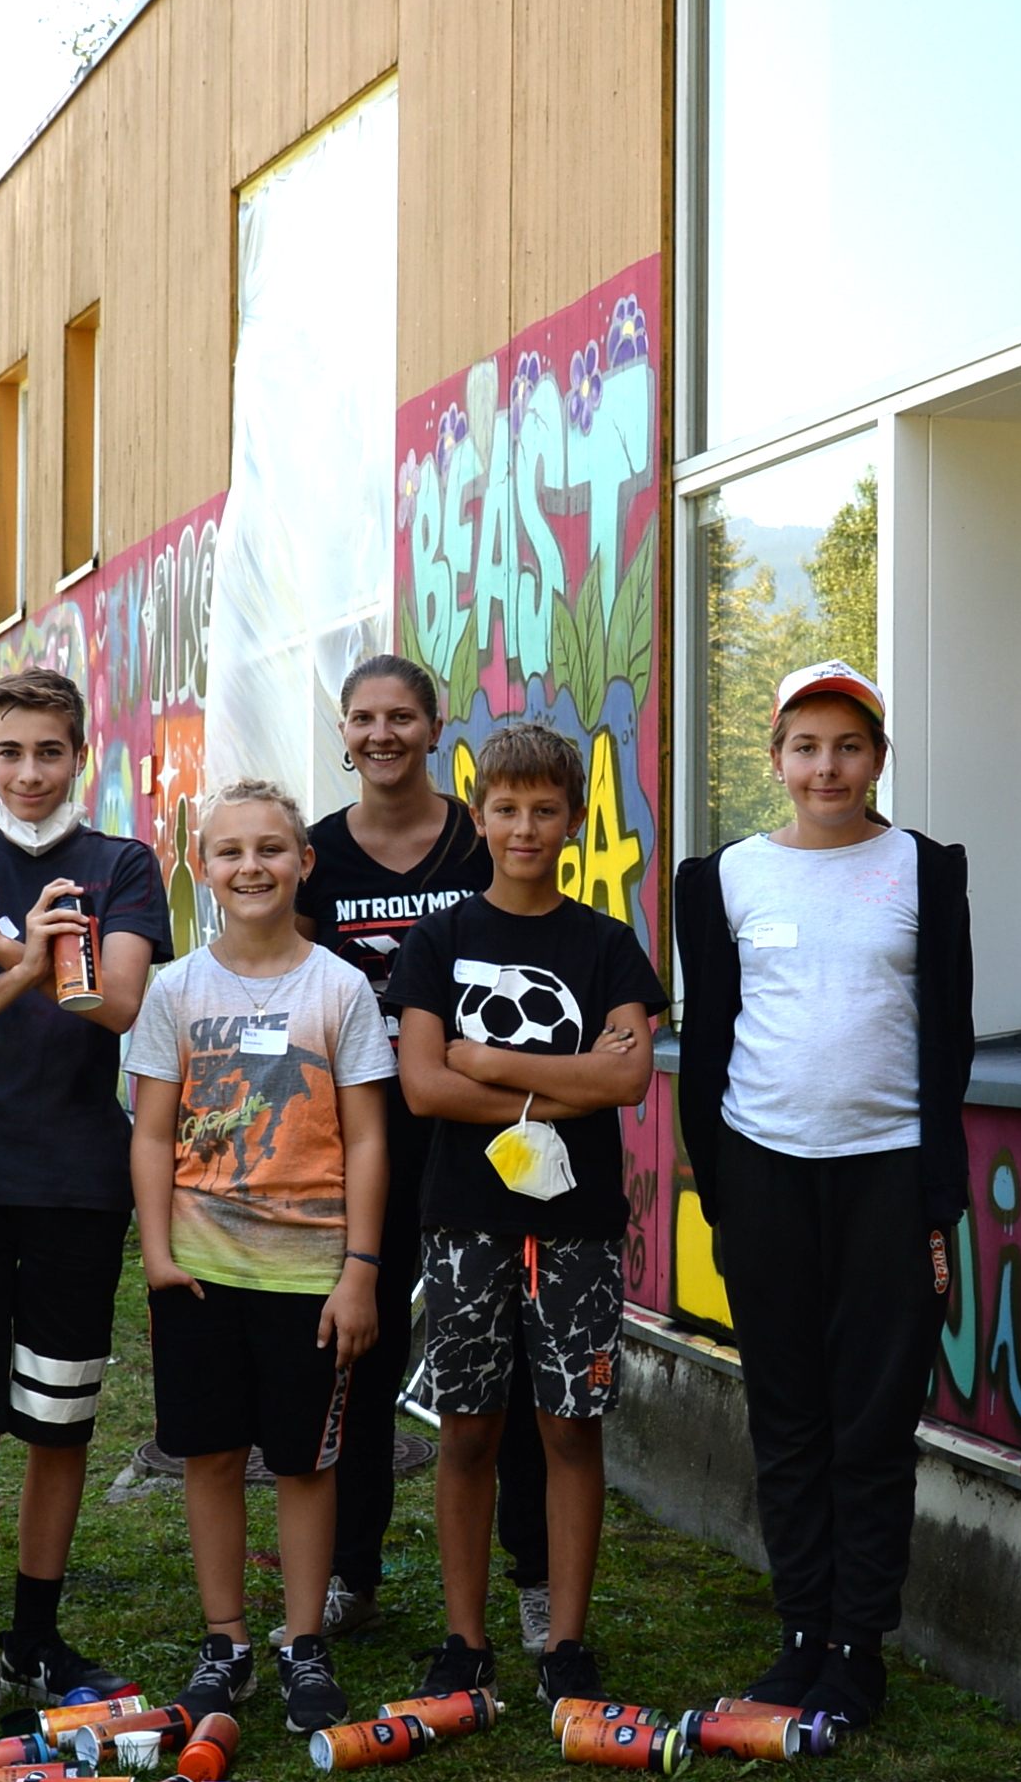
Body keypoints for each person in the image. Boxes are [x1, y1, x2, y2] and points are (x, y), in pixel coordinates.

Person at [673, 661, 975, 1727]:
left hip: (889, 1175)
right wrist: (717, 1179)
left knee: (873, 1415)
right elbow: (705, 1038)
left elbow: (952, 1037)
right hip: (761, 1170)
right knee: (787, 1408)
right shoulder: (723, 879)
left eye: (848, 745)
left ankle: (859, 1644)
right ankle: (800, 1628)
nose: (826, 766)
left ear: (877, 759)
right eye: (805, 745)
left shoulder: (926, 873)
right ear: (776, 760)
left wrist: (938, 1191)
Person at [0, 665, 168, 1746]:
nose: (31, 771)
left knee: (56, 1422)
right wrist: (27, 957)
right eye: (10, 752)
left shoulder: (120, 865)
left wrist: (11, 948)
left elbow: (119, 1006)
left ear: (79, 753)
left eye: (50, 750)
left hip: (75, 1183)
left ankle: (38, 1635)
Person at [388, 719, 666, 1704]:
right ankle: (464, 1639)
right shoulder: (443, 938)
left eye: (545, 809)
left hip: (577, 1226)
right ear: (479, 817)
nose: (524, 825)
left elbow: (629, 1078)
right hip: (464, 1221)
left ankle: (566, 1643)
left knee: (568, 1427)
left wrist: (497, 1063)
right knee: (465, 1427)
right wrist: (569, 1081)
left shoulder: (604, 944)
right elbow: (423, 1085)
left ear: (572, 819)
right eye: (505, 808)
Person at [297, 655, 552, 1649]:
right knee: (357, 1353)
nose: (381, 733)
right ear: (345, 733)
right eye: (362, 718)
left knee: (510, 1363)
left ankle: (531, 1571)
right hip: (361, 1142)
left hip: (480, 1137)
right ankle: (350, 1571)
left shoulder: (475, 839)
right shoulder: (319, 854)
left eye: (400, 715)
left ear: (434, 725)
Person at [129, 778, 392, 1736]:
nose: (251, 867)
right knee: (207, 1454)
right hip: (198, 1267)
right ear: (201, 869)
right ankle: (225, 1639)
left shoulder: (341, 988)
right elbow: (153, 1133)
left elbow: (367, 1139)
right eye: (230, 851)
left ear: (304, 861)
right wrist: (156, 1253)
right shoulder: (175, 989)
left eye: (271, 849)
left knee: (302, 1462)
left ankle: (302, 1641)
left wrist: (359, 1268)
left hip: (310, 1277)